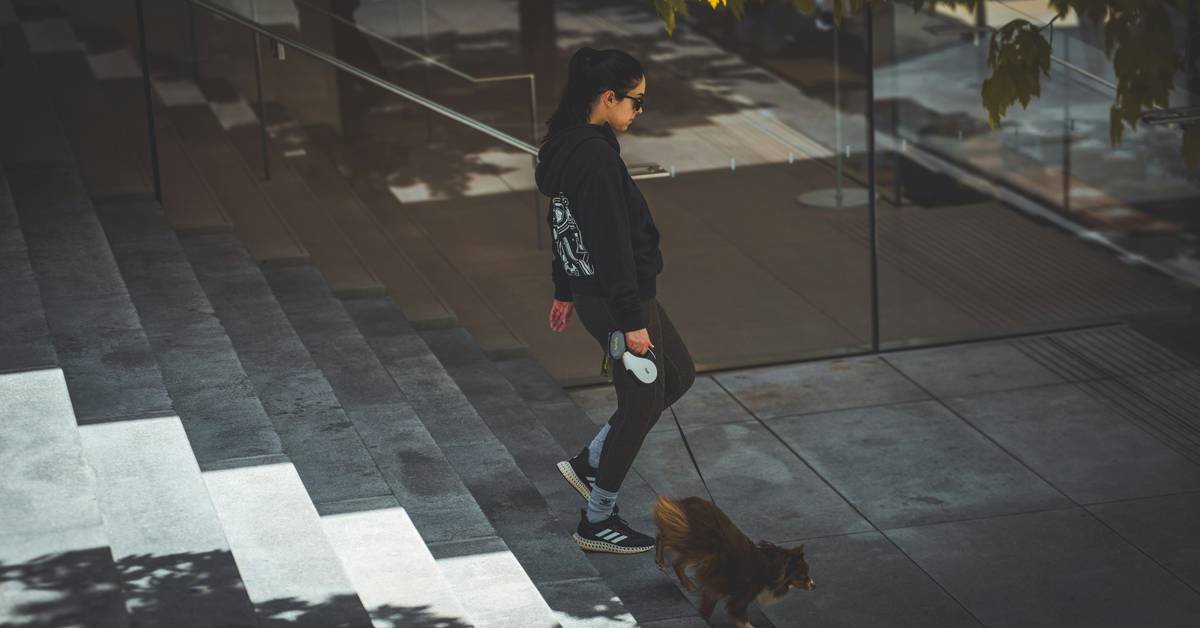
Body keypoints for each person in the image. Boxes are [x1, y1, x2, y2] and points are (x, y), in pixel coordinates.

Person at [535, 46, 696, 554]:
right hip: (616, 299)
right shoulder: (593, 157)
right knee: (642, 400)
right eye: (636, 101)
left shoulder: (573, 145)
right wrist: (630, 320)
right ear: (608, 98)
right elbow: (609, 242)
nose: (639, 111)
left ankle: (589, 463)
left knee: (679, 375)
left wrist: (564, 288)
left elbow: (564, 225)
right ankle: (596, 518)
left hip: (606, 294)